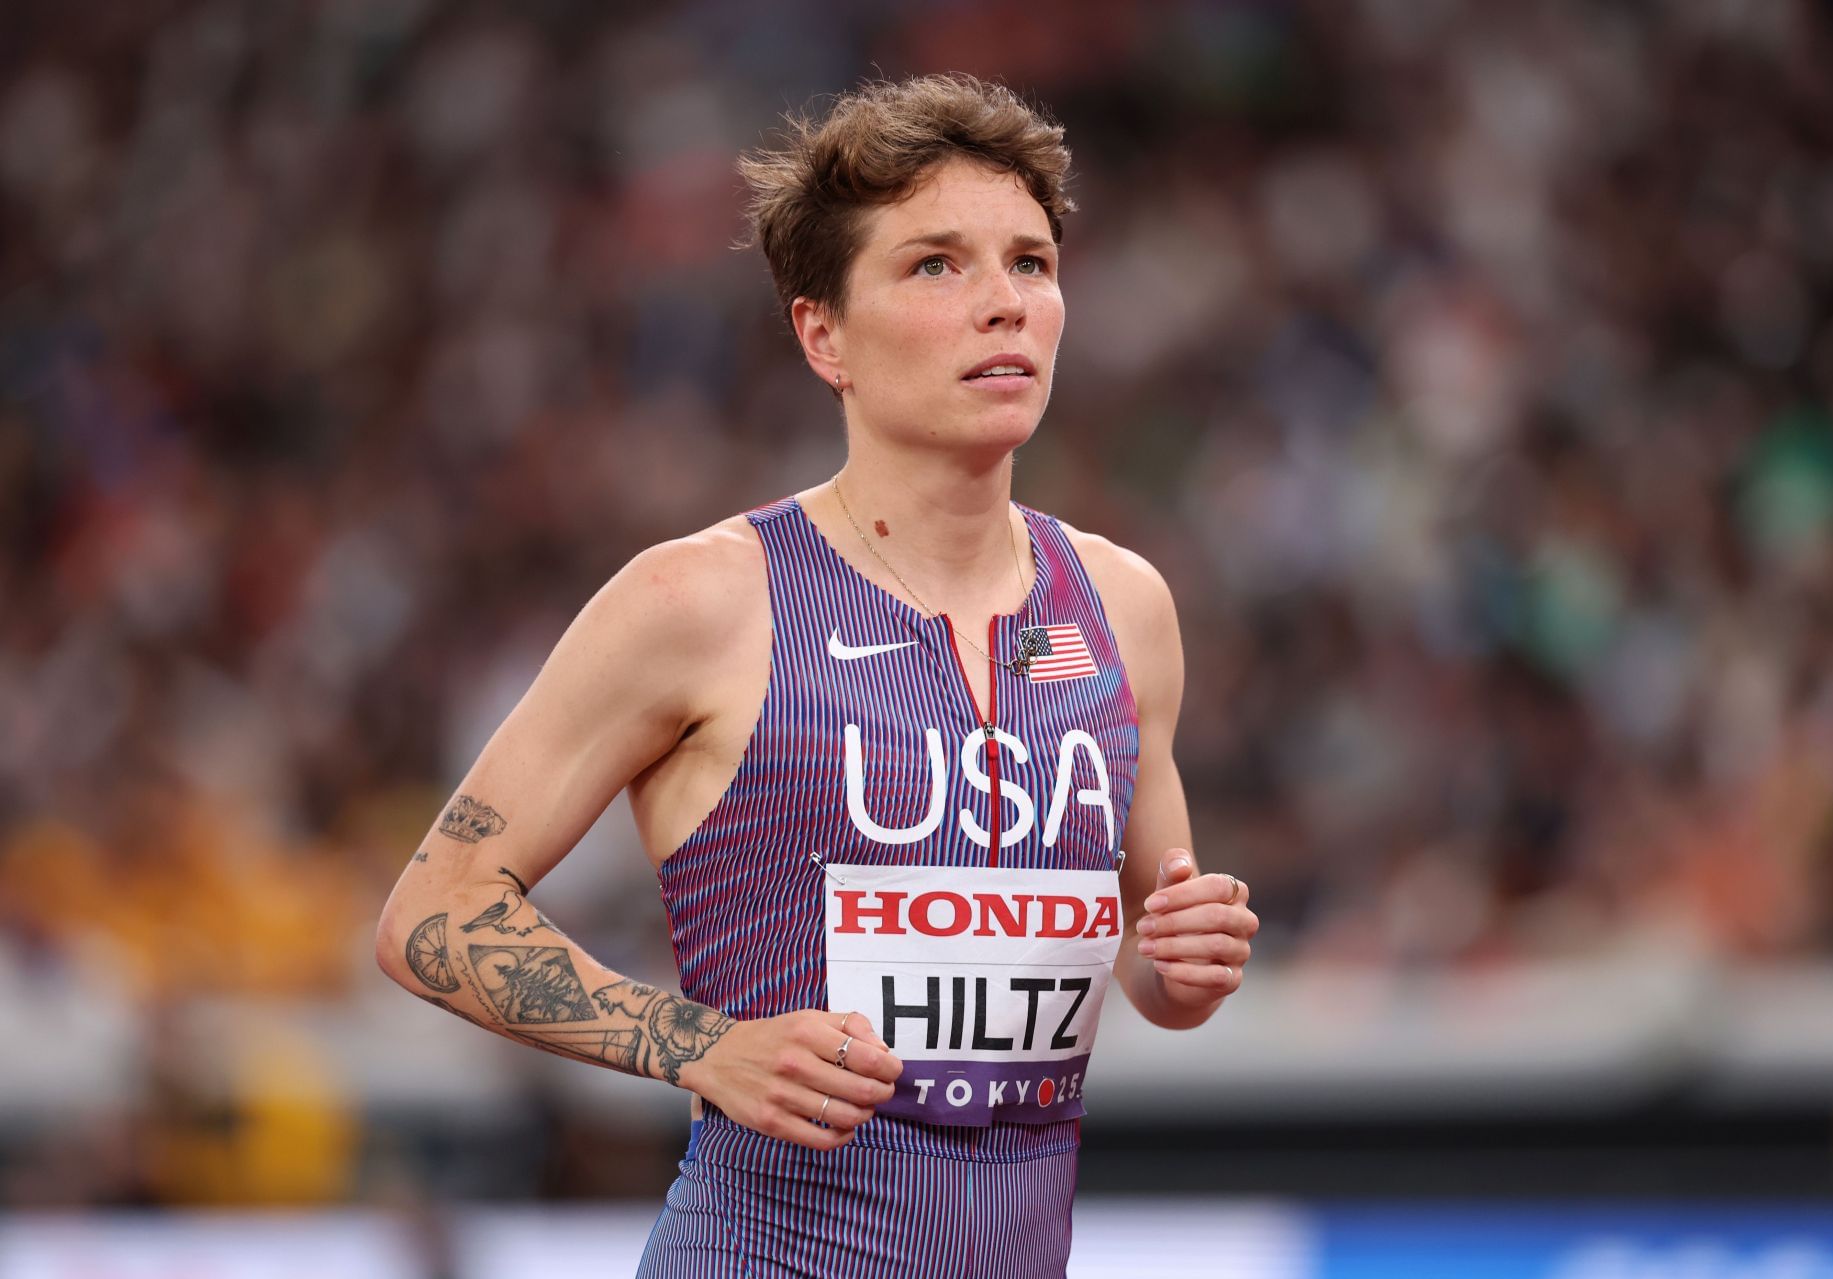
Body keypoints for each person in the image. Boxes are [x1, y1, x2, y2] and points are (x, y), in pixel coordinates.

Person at [374, 72, 1259, 1278]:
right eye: (935, 265)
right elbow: (432, 911)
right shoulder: (700, 602)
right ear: (822, 335)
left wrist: (1189, 963)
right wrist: (698, 1045)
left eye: (1031, 263)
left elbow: (1149, 962)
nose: (1003, 302)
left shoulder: (1124, 606)